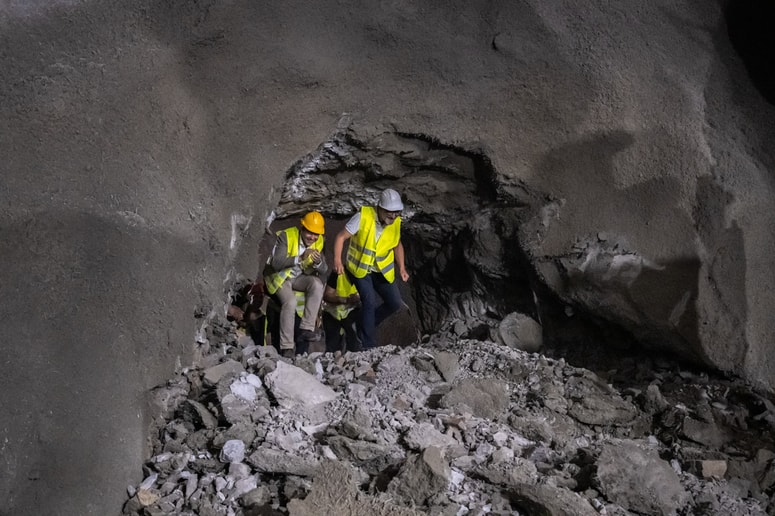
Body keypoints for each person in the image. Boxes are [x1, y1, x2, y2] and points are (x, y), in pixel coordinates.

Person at [332, 188, 409, 349]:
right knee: (369, 301)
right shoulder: (362, 217)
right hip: (360, 269)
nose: (393, 216)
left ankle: (361, 323)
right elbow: (341, 237)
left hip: (381, 271)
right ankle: (367, 343)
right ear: (380, 208)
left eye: (396, 212)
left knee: (394, 303)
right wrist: (337, 260)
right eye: (390, 212)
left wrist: (401, 267)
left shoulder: (396, 223)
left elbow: (397, 245)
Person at [263, 211, 328, 357]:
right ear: (302, 228)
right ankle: (287, 347)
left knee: (316, 284)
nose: (312, 237)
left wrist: (318, 262)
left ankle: (306, 329)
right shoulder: (286, 236)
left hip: (297, 277)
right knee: (290, 301)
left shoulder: (319, 241)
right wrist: (299, 258)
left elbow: (324, 270)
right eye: (309, 233)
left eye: (316, 234)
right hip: (279, 278)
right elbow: (276, 263)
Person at [322, 272, 362, 354]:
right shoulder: (338, 273)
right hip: (332, 313)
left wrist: (358, 299)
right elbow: (327, 295)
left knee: (354, 346)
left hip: (351, 312)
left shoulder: (363, 276)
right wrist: (344, 299)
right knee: (332, 348)